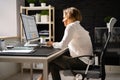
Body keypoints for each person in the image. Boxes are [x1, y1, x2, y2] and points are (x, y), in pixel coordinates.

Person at [38, 7, 94, 80]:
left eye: (64, 17)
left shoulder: (71, 26)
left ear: (69, 17)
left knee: (50, 59)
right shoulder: (78, 27)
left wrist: (52, 43)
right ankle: (41, 79)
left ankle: (41, 79)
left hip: (82, 62)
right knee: (52, 65)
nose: (63, 20)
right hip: (88, 62)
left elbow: (62, 46)